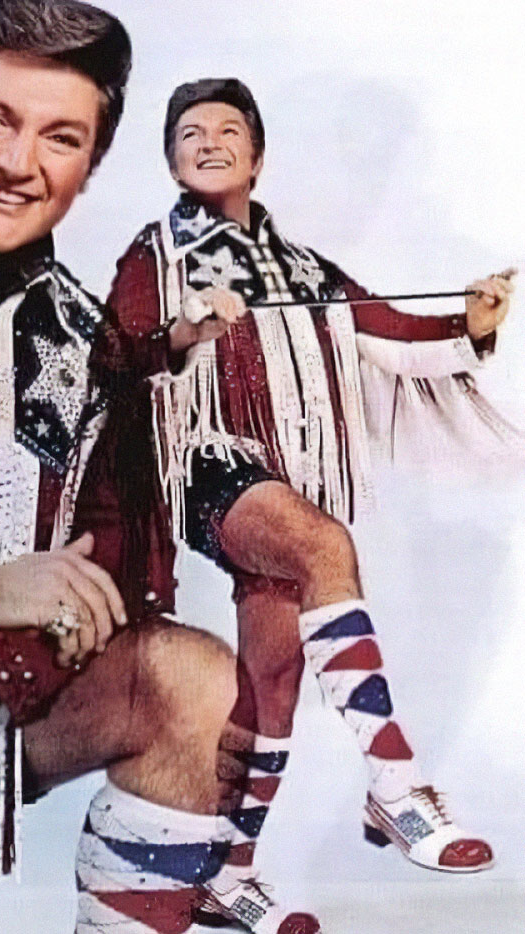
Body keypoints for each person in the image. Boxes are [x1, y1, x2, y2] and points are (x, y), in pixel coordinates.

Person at [0, 13, 324, 934]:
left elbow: (123, 564)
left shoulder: (86, 340)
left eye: (61, 138)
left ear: (90, 169)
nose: (21, 164)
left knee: (181, 679)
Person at [104, 76, 521, 900]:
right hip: (208, 469)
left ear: (256, 156)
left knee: (275, 682)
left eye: (228, 129)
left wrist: (472, 322)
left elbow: (390, 332)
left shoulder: (302, 264)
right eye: (190, 133)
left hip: (283, 480)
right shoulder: (155, 255)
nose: (210, 141)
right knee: (325, 544)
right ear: (170, 160)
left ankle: (225, 873)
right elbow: (117, 354)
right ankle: (394, 786)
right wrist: (186, 332)